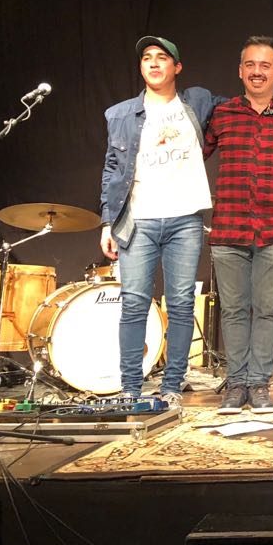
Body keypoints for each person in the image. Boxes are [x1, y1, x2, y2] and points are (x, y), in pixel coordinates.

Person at [100, 36, 217, 407]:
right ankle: (130, 388)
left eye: (162, 57)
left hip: (185, 218)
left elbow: (244, 105)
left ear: (176, 67)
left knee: (180, 303)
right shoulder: (120, 114)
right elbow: (112, 169)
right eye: (147, 58)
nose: (153, 63)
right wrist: (107, 222)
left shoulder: (197, 101)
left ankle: (172, 384)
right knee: (134, 303)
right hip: (138, 219)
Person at [203, 37, 273, 415]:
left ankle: (258, 383)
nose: (257, 71)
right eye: (250, 64)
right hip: (229, 228)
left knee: (266, 309)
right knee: (233, 310)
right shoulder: (222, 114)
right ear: (240, 70)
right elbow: (192, 155)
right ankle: (236, 384)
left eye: (265, 65)